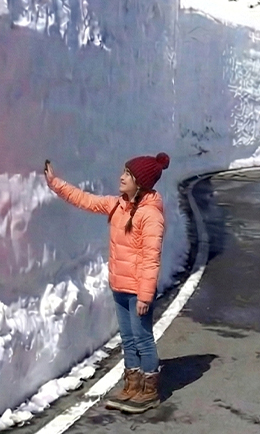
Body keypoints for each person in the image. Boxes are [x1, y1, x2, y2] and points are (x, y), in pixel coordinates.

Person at [43, 153, 169, 414]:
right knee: (127, 337)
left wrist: (145, 296)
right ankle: (132, 384)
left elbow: (151, 258)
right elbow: (85, 199)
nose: (122, 177)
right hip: (120, 286)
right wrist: (56, 184)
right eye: (123, 171)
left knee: (142, 338)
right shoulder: (117, 205)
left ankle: (149, 389)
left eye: (128, 174)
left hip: (138, 291)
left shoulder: (150, 215)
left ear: (141, 182)